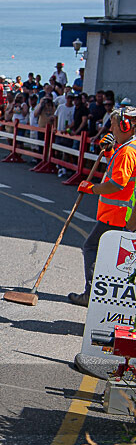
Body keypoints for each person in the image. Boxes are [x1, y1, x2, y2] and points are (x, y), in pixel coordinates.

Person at [69, 108, 136, 306]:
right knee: (112, 256)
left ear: (125, 126)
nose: (111, 129)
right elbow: (117, 171)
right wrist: (108, 151)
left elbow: (117, 184)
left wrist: (92, 188)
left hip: (118, 214)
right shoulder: (125, 148)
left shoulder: (127, 151)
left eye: (114, 125)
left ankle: (92, 294)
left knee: (91, 247)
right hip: (119, 214)